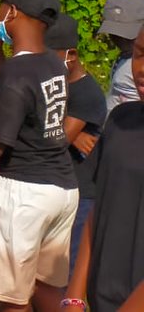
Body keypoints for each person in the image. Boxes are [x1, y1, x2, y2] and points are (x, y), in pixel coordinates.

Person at [0, 0, 79, 312]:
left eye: (1, 7)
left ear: (13, 12)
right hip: (62, 189)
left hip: (23, 194)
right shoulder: (54, 64)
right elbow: (25, 100)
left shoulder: (15, 74)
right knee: (49, 289)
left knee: (13, 300)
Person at [66, 21, 144, 311]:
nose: (142, 69)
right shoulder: (121, 120)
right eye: (139, 54)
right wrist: (74, 295)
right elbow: (100, 209)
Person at [43, 12, 105, 279]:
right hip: (56, 187)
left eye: (48, 56)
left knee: (66, 271)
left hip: (81, 195)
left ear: (72, 54)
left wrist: (70, 133)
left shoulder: (87, 94)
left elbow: (56, 141)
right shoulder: (53, 82)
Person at [98, 0, 144, 111]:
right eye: (115, 34)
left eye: (128, 35)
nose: (121, 40)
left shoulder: (137, 68)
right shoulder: (125, 57)